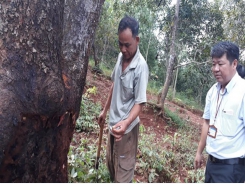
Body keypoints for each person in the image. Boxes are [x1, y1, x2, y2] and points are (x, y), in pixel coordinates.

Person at [98, 15, 149, 183]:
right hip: (113, 125)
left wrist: (126, 123)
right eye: (120, 44)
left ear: (137, 39)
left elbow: (139, 103)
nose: (123, 49)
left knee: (123, 176)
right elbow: (114, 85)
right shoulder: (121, 58)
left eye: (127, 45)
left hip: (126, 132)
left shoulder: (140, 67)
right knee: (112, 167)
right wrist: (105, 111)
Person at [194, 41, 245, 183]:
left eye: (220, 64)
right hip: (211, 164)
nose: (215, 69)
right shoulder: (212, 91)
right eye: (213, 64)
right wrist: (199, 152)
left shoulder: (242, 93)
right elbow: (206, 122)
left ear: (234, 64)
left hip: (232, 170)